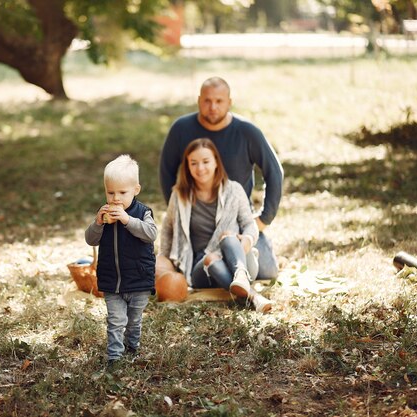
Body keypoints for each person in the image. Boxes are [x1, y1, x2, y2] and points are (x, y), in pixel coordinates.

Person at [159, 77, 283, 280]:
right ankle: (226, 273)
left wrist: (264, 218)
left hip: (237, 219)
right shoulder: (181, 129)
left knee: (267, 272)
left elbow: (274, 172)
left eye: (219, 101)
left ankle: (239, 265)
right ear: (199, 100)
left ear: (229, 102)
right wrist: (181, 211)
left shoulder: (246, 132)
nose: (213, 107)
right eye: (207, 101)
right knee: (197, 270)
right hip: (197, 223)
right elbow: (166, 172)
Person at [157, 138, 272, 313]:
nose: (200, 168)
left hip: (237, 256)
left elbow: (249, 224)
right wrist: (164, 261)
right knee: (211, 258)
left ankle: (240, 275)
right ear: (187, 166)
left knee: (227, 236)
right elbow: (167, 229)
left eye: (205, 161)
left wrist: (248, 239)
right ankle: (253, 296)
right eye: (193, 163)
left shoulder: (234, 190)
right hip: (202, 268)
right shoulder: (180, 195)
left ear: (216, 162)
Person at [85, 155, 157, 366]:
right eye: (110, 192)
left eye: (122, 192)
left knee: (133, 321)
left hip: (138, 279)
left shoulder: (143, 213)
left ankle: (132, 347)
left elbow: (151, 234)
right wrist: (98, 223)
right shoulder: (104, 214)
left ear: (136, 189)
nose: (116, 199)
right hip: (112, 280)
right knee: (115, 321)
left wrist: (127, 220)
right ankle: (115, 357)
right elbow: (91, 240)